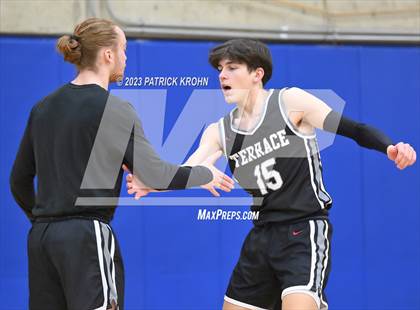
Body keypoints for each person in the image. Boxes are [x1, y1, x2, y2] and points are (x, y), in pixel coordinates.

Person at [125, 39, 416, 310]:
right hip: (262, 237)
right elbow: (188, 170)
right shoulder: (220, 131)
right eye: (220, 70)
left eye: (232, 68)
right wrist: (153, 184)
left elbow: (356, 130)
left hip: (304, 230)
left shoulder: (291, 103)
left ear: (257, 74)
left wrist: (389, 146)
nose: (222, 76)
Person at [9, 18, 233, 310]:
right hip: (86, 236)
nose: (126, 57)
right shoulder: (114, 108)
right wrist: (204, 174)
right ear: (108, 54)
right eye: (123, 49)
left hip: (41, 239)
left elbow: (18, 180)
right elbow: (154, 173)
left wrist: (46, 219)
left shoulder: (42, 108)